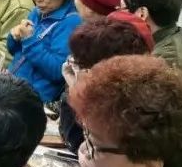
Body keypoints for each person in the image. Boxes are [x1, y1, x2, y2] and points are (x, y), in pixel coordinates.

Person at [57, 18, 152, 153]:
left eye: (79, 64)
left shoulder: (134, 113)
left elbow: (80, 146)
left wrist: (79, 93)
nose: (71, 65)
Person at [7, 0, 82, 104]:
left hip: (35, 99)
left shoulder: (71, 22)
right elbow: (15, 51)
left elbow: (57, 71)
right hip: (13, 86)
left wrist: (29, 40)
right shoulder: (37, 12)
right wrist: (14, 37)